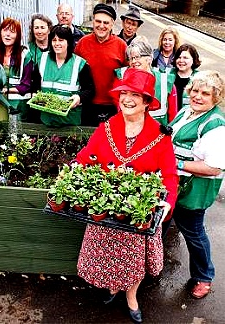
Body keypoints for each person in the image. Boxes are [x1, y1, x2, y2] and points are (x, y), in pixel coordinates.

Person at [75, 68, 178, 323]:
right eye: (123, 93)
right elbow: (87, 156)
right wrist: (78, 168)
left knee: (133, 261)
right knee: (107, 253)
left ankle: (131, 296)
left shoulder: (160, 135)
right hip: (107, 207)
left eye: (135, 95)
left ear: (146, 102)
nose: (127, 99)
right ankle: (112, 286)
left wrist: (167, 201)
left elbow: (170, 174)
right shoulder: (107, 127)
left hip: (138, 211)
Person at [169, 70, 225, 299]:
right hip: (177, 183)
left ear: (215, 97)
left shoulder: (215, 124)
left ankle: (204, 276)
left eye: (205, 93)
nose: (198, 96)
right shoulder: (188, 111)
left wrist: (175, 163)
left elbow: (213, 167)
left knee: (193, 232)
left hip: (194, 189)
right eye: (195, 91)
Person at [74, 3, 127, 126]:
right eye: (98, 21)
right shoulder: (82, 44)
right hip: (87, 104)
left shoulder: (121, 46)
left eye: (106, 23)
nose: (101, 26)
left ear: (112, 24)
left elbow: (128, 76)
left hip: (112, 105)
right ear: (93, 21)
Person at [38, 24, 95, 127]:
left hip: (70, 121)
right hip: (46, 121)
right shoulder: (42, 59)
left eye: (61, 40)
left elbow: (90, 90)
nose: (57, 43)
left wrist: (79, 98)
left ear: (68, 42)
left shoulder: (80, 64)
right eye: (54, 40)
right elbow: (35, 84)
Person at [0, 17, 33, 123]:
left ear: (18, 36)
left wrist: (5, 90)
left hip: (18, 104)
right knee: (2, 132)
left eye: (12, 32)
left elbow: (26, 85)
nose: (7, 34)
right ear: (0, 32)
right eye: (5, 30)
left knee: (17, 135)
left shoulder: (25, 55)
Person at [114, 37, 177, 125]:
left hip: (158, 133)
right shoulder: (124, 80)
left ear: (149, 58)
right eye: (131, 58)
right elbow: (120, 110)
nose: (133, 61)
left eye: (137, 57)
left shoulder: (165, 81)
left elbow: (173, 114)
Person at [28, 14, 53, 123]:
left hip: (51, 95)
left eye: (42, 27)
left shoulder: (56, 47)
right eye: (36, 27)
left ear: (49, 29)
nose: (39, 31)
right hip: (32, 95)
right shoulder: (28, 49)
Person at [172, 43, 201, 110]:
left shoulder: (200, 78)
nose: (181, 61)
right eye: (179, 57)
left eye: (185, 58)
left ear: (193, 60)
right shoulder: (167, 75)